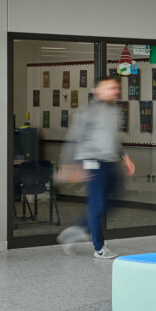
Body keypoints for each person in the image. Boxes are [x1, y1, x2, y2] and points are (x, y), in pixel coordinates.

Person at [58, 75, 135, 259]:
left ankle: (77, 229)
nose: (114, 91)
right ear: (97, 90)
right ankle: (99, 248)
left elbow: (113, 138)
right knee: (97, 204)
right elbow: (74, 138)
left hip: (109, 162)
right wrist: (68, 165)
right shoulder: (87, 112)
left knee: (117, 199)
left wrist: (125, 157)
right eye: (109, 88)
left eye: (115, 88)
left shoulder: (114, 110)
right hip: (91, 162)